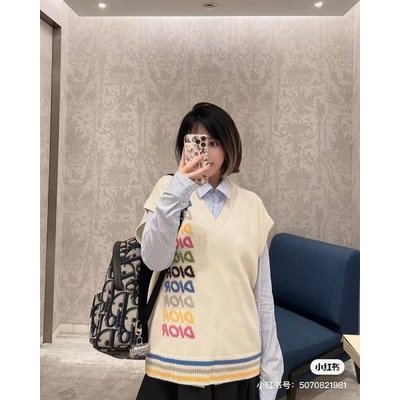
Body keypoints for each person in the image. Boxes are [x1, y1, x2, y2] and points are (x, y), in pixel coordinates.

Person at [135, 102, 284, 400]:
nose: (206, 152)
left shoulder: (252, 205)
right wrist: (178, 190)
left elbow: (262, 296)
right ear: (184, 148)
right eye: (197, 142)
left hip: (238, 357)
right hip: (175, 357)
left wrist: (271, 370)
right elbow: (155, 259)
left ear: (229, 147)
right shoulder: (168, 189)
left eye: (214, 142)